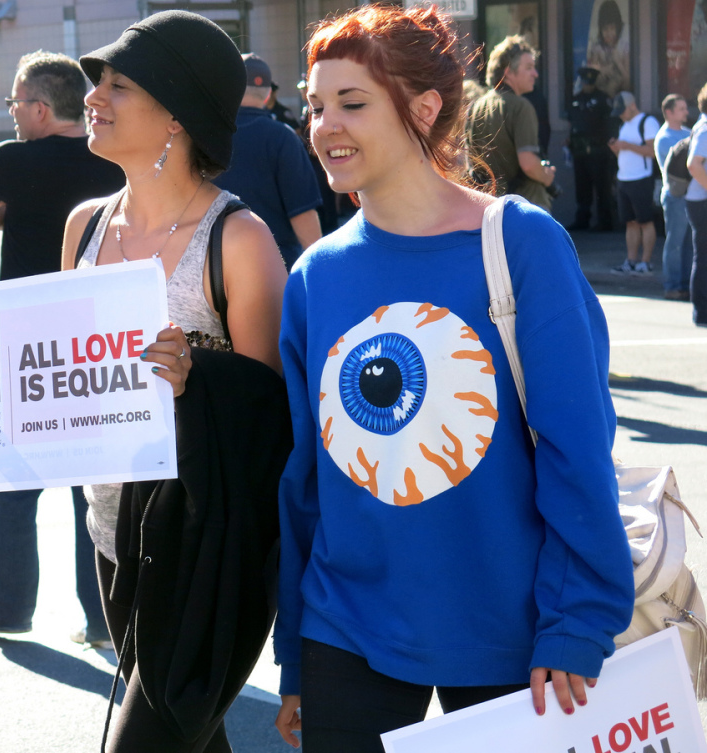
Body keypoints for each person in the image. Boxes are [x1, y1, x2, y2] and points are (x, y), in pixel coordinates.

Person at [0, 11, 288, 752]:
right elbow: (60, 380)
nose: (93, 97)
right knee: (190, 740)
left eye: (118, 84)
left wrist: (195, 375)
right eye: (95, 83)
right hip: (111, 535)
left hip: (201, 546)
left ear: (177, 111)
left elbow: (271, 421)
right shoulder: (84, 225)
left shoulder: (236, 239)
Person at [272, 6, 635, 751]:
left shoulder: (520, 242)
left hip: (515, 627)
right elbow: (305, 477)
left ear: (425, 107)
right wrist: (293, 653)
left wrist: (577, 620)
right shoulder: (314, 275)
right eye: (314, 106)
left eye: (351, 103)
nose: (324, 126)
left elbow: (576, 447)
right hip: (344, 624)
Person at [0, 51, 125, 646]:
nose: (12, 112)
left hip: (25, 345)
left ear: (41, 109)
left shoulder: (12, 160)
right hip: (96, 344)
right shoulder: (111, 158)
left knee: (10, 481)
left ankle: (7, 610)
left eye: (17, 102)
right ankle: (103, 620)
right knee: (93, 491)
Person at [214, 53, 322, 268]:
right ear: (267, 95)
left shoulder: (206, 138)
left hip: (214, 270)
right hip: (275, 269)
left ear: (230, 89)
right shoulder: (284, 137)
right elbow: (303, 213)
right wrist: (322, 274)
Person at [466, 35, 556, 210]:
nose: (535, 74)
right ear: (508, 72)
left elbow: (472, 164)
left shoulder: (476, 106)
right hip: (524, 208)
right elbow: (528, 163)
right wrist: (547, 176)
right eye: (529, 68)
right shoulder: (522, 107)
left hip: (487, 206)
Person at [608, 91, 660, 274]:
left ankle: (645, 262)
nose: (621, 115)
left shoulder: (648, 122)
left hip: (641, 178)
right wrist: (617, 148)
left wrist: (626, 146)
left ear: (632, 105)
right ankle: (631, 260)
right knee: (630, 222)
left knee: (645, 221)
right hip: (624, 178)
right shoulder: (624, 125)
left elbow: (653, 152)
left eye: (623, 110)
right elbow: (623, 153)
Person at [655, 93, 694, 300]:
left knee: (689, 243)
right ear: (668, 112)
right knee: (675, 243)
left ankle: (686, 285)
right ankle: (672, 285)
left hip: (691, 197)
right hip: (674, 196)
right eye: (681, 109)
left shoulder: (689, 133)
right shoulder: (664, 138)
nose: (686, 112)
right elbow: (680, 167)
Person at [566, 67, 615, 231]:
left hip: (598, 150)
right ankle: (582, 220)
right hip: (579, 150)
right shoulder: (575, 99)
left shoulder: (602, 99)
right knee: (582, 186)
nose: (587, 85)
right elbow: (573, 123)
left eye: (590, 82)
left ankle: (604, 221)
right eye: (585, 82)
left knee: (602, 186)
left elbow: (608, 124)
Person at [684, 82, 707, 326]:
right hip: (702, 203)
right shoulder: (706, 128)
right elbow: (693, 164)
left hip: (699, 201)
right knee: (703, 258)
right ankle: (702, 312)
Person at [586, 0, 630, 99]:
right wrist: (603, 70)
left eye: (612, 28)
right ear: (600, 30)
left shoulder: (624, 48)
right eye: (605, 29)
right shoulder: (597, 48)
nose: (609, 33)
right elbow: (592, 82)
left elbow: (628, 84)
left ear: (618, 28)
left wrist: (618, 62)